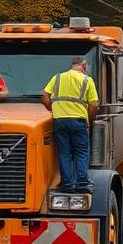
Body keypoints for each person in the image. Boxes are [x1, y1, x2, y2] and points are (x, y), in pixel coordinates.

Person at [42, 56, 99, 193]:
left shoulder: (58, 78)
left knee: (64, 153)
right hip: (78, 121)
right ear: (83, 65)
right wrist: (89, 121)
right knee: (81, 153)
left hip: (59, 121)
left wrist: (52, 108)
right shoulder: (87, 80)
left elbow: (44, 95)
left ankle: (67, 184)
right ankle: (82, 183)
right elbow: (94, 104)